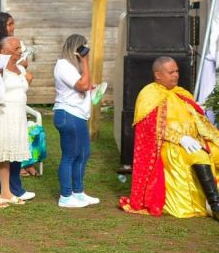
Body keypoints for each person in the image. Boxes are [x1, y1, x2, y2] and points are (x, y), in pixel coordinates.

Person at [120, 56, 219, 219]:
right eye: (171, 72)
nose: (176, 75)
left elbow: (198, 120)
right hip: (168, 145)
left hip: (194, 141)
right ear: (158, 74)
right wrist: (180, 138)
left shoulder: (181, 93)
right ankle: (215, 206)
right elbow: (150, 128)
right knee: (199, 156)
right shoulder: (149, 94)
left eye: (177, 71)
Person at [0, 12, 36, 204]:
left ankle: (7, 191)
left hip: (17, 115)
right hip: (2, 114)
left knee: (8, 153)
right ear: (4, 51)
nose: (19, 52)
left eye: (19, 48)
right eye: (15, 49)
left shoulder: (21, 69)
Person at [53, 34, 98, 208]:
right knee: (70, 156)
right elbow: (82, 86)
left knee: (83, 154)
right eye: (83, 48)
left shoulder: (73, 67)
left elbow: (85, 85)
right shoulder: (63, 65)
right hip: (68, 114)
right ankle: (65, 196)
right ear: (76, 49)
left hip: (78, 115)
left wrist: (91, 87)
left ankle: (78, 193)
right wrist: (85, 62)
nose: (86, 52)